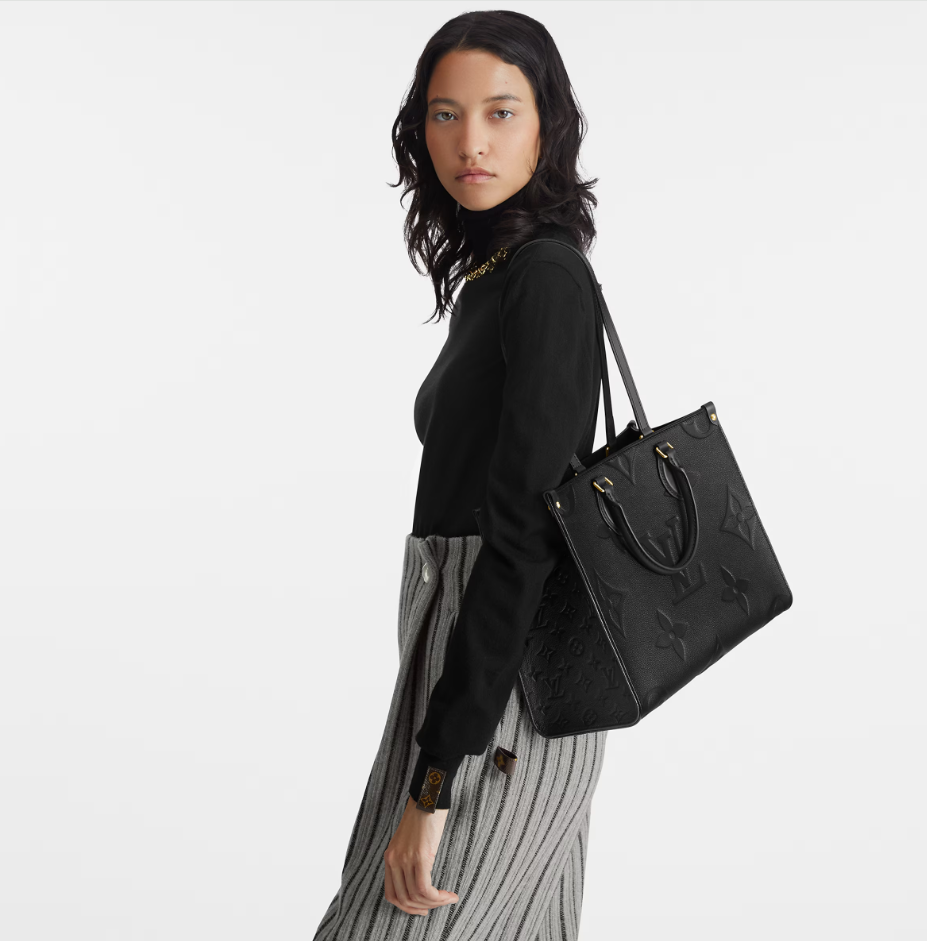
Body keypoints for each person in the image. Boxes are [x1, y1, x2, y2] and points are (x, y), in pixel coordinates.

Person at [312, 10, 610, 940]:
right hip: (482, 679)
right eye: (445, 114)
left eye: (499, 112)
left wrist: (436, 777)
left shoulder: (545, 279)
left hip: (501, 696)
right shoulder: (497, 276)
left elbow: (521, 535)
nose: (469, 141)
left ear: (547, 124)